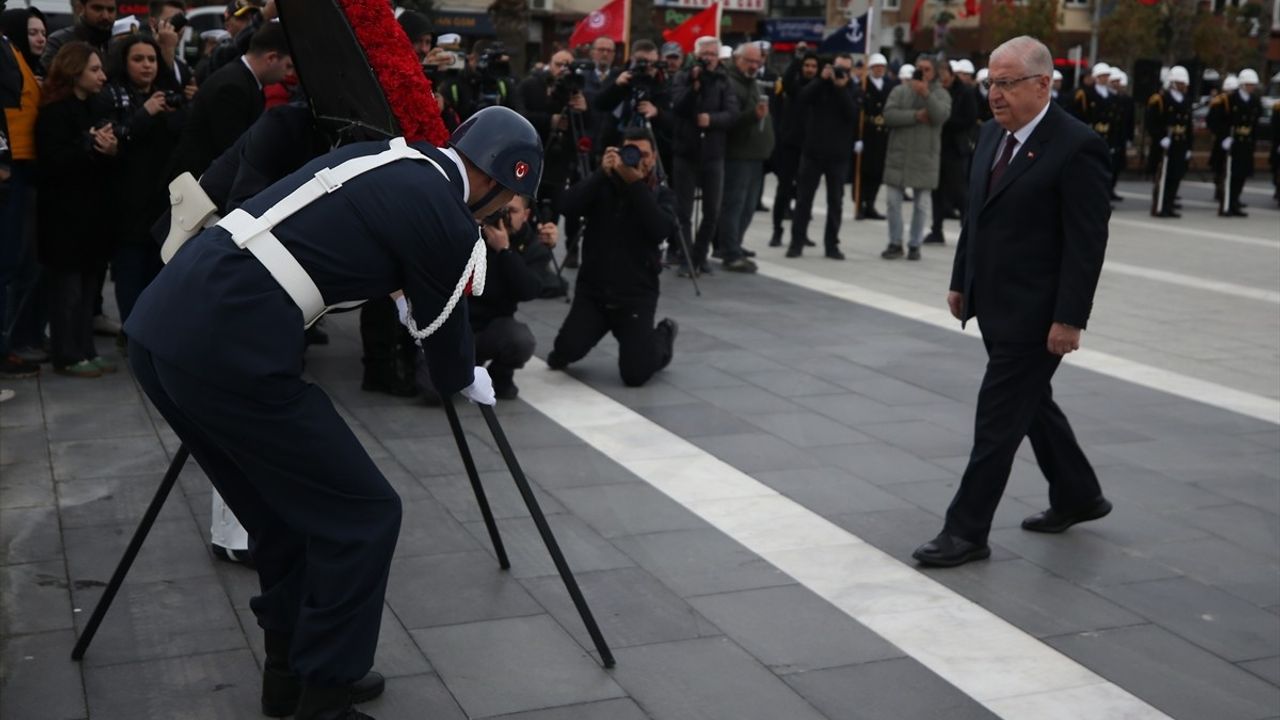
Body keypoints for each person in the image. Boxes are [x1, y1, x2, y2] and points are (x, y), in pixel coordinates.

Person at [125, 106, 542, 720]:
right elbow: (448, 359)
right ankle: (326, 696)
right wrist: (473, 375)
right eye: (506, 201)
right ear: (501, 183)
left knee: (278, 515)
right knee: (365, 515)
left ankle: (289, 674)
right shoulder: (446, 214)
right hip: (231, 343)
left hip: (165, 323)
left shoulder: (392, 157)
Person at [914, 36, 1112, 568]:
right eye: (990, 83)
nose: (994, 95)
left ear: (1043, 84)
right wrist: (962, 280)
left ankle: (966, 531)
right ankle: (1078, 494)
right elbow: (976, 218)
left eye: (1006, 83)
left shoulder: (1077, 146)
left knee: (997, 420)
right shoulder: (989, 136)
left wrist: (1069, 318)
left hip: (1037, 315)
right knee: (1032, 406)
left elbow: (1086, 244)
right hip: (995, 305)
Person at [547, 128, 679, 387]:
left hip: (635, 298)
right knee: (561, 354)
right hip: (594, 294)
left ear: (653, 158)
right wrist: (599, 174)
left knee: (635, 375)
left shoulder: (661, 194)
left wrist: (635, 185)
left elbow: (660, 230)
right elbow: (566, 205)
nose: (636, 159)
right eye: (629, 152)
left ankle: (664, 334)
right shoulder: (602, 185)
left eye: (643, 154)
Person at [35, 41, 119, 378]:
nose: (102, 76)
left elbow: (105, 160)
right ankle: (67, 354)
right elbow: (54, 162)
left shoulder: (96, 106)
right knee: (67, 291)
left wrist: (108, 150)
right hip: (64, 218)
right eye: (94, 69)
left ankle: (85, 349)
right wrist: (89, 145)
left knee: (88, 289)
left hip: (92, 216)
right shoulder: (55, 112)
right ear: (74, 72)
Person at [103, 33, 186, 327]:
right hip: (127, 200)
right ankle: (130, 331)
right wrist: (144, 114)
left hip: (161, 199)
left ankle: (151, 328)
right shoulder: (113, 94)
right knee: (130, 268)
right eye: (138, 59)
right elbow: (115, 139)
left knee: (156, 266)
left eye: (151, 59)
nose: (147, 66)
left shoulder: (165, 94)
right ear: (124, 63)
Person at [169, 19, 291, 180]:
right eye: (289, 66)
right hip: (200, 187)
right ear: (271, 58)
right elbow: (233, 152)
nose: (290, 74)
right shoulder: (233, 87)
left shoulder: (244, 80)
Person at [465, 195, 557, 399]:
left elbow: (529, 291)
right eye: (500, 209)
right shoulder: (470, 231)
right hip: (457, 324)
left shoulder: (531, 242)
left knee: (520, 341)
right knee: (432, 391)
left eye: (512, 211)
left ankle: (501, 374)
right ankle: (466, 364)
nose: (504, 217)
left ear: (526, 215)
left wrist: (505, 251)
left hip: (493, 325)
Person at [0, 7, 45, 378]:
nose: (41, 38)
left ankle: (10, 343)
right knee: (7, 266)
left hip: (21, 167)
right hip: (9, 167)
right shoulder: (5, 51)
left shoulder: (14, 54)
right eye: (33, 31)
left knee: (18, 265)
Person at [670, 36, 738, 276]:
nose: (708, 58)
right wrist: (693, 87)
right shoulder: (683, 76)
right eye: (705, 53)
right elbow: (677, 105)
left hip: (713, 152)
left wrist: (712, 120)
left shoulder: (724, 80)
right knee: (684, 210)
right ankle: (685, 256)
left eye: (712, 54)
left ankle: (699, 255)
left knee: (712, 211)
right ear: (696, 54)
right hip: (686, 151)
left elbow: (732, 114)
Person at [787, 53, 859, 260]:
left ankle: (832, 244)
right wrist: (822, 79)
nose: (841, 73)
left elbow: (852, 114)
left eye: (845, 69)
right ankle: (796, 242)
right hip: (813, 152)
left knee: (835, 202)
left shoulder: (852, 88)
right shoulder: (820, 85)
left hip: (838, 155)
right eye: (838, 68)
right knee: (803, 201)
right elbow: (801, 98)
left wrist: (841, 88)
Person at [879, 54, 950, 261]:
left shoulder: (941, 94)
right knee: (893, 202)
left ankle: (914, 244)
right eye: (919, 68)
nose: (922, 72)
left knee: (921, 205)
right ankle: (895, 242)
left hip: (925, 158)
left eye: (927, 69)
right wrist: (914, 116)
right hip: (899, 156)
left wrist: (927, 95)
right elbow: (889, 116)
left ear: (935, 72)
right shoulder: (900, 90)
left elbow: (940, 117)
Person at [716, 42, 773, 272]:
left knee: (748, 206)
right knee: (736, 204)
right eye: (749, 61)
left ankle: (732, 244)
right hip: (738, 155)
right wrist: (752, 116)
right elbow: (731, 120)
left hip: (754, 155)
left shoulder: (751, 83)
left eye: (757, 62)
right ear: (737, 59)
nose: (754, 66)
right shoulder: (730, 83)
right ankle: (730, 251)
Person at [924, 58, 976, 246]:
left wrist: (945, 120)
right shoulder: (936, 92)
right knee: (936, 191)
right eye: (941, 78)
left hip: (955, 148)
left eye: (946, 77)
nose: (943, 81)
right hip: (937, 146)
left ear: (952, 75)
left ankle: (967, 229)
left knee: (959, 191)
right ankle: (936, 229)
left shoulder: (965, 93)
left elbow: (969, 119)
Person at [769, 50, 818, 246]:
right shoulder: (794, 86)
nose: (810, 70)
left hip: (810, 148)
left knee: (804, 194)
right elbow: (788, 81)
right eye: (807, 66)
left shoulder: (818, 87)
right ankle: (777, 231)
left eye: (813, 67)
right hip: (790, 146)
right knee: (784, 191)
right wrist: (797, 60)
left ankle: (801, 232)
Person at [1209, 68, 1262, 217]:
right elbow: (1217, 120)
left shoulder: (1254, 101)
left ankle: (1235, 202)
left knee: (1241, 175)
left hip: (1246, 143)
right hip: (1233, 141)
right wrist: (1224, 137)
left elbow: (1255, 122)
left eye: (1253, 84)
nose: (1252, 87)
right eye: (1249, 84)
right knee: (1230, 175)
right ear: (1243, 84)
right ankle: (1226, 203)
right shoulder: (1230, 100)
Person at [1145, 65, 1192, 218]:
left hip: (1179, 143)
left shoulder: (1185, 100)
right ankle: (1159, 206)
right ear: (1172, 83)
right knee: (1162, 177)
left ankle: (1169, 205)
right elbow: (1151, 122)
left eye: (1184, 83)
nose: (1183, 86)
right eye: (1180, 83)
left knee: (1175, 176)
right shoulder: (1160, 100)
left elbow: (1188, 125)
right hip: (1164, 144)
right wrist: (1160, 137)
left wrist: (1189, 146)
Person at [854, 52, 893, 221]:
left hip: (882, 134)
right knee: (863, 171)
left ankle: (870, 203)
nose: (879, 70)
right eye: (876, 67)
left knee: (877, 171)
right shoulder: (864, 85)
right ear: (870, 69)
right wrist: (857, 138)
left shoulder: (889, 85)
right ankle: (859, 203)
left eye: (882, 67)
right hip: (867, 133)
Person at [41, 0, 115, 70]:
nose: (105, 16)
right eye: (98, 9)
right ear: (81, 8)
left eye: (110, 10)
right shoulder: (59, 42)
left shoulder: (115, 47)